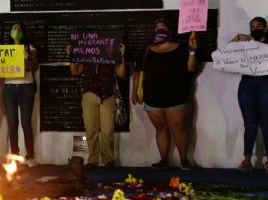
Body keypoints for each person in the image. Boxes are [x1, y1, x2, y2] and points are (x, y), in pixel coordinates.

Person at [130, 18, 197, 170]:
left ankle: (184, 160)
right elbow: (138, 72)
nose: (159, 29)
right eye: (157, 27)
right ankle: (163, 160)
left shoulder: (181, 48)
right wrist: (134, 92)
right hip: (153, 96)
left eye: (163, 26)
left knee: (178, 127)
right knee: (160, 128)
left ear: (170, 31)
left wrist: (192, 53)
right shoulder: (147, 49)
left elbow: (191, 69)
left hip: (176, 94)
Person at [68, 41, 126, 168]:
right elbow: (75, 72)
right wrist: (72, 56)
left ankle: (109, 160)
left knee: (108, 131)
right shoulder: (86, 55)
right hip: (90, 94)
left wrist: (121, 56)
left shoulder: (111, 54)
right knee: (91, 130)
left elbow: (121, 73)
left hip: (108, 95)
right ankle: (92, 160)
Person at [230, 17, 268, 172]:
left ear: (265, 28)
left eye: (259, 26)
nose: (255, 29)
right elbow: (226, 56)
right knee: (250, 124)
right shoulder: (245, 44)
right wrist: (235, 39)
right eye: (252, 27)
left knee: (266, 124)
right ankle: (247, 160)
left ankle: (267, 161)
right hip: (246, 85)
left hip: (266, 84)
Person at [2, 22, 39, 167]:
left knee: (26, 122)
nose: (16, 31)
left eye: (19, 29)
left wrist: (27, 56)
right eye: (14, 28)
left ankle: (30, 156)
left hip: (26, 87)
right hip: (9, 88)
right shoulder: (4, 49)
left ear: (23, 32)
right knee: (12, 123)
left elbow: (34, 66)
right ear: (10, 32)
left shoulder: (30, 48)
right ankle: (15, 156)